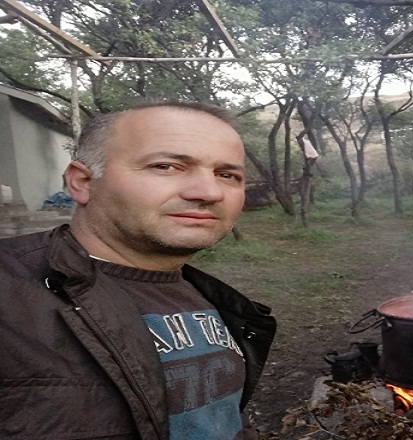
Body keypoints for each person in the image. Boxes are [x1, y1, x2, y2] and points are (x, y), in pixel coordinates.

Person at [0, 102, 277, 439]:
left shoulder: (217, 301)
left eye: (227, 175)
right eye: (166, 166)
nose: (208, 192)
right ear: (82, 182)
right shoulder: (11, 295)